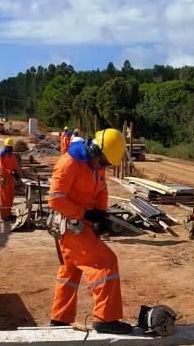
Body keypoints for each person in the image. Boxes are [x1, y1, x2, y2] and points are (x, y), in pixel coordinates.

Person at [47, 128, 132, 334]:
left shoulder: (97, 163)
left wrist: (101, 215)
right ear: (94, 150)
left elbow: (101, 188)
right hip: (70, 224)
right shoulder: (69, 163)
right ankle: (106, 319)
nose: (103, 167)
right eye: (102, 163)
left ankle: (60, 318)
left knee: (70, 270)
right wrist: (85, 214)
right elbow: (55, 199)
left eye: (106, 165)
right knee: (105, 263)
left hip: (81, 224)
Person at [0, 137, 21, 221]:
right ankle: (4, 215)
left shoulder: (11, 155)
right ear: (5, 147)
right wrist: (10, 172)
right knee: (4, 198)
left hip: (11, 179)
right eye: (9, 147)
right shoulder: (2, 155)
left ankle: (9, 214)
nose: (10, 149)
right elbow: (1, 168)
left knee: (10, 197)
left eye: (11, 147)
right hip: (4, 178)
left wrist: (17, 174)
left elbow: (15, 165)